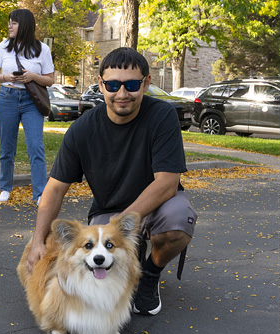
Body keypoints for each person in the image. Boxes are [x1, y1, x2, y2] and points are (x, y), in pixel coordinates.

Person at [27, 47, 197, 315]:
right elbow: (55, 188)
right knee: (95, 264)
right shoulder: (82, 129)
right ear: (100, 84)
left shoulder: (162, 116)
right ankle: (129, 260)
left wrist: (121, 227)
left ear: (146, 83)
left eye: (131, 85)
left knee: (178, 223)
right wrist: (38, 240)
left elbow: (167, 182)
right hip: (108, 211)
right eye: (113, 85)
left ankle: (149, 276)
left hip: (158, 206)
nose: (121, 94)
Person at [0, 9, 54, 205]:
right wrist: (6, 77)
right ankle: (5, 188)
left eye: (14, 23)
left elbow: (50, 80)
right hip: (7, 98)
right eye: (10, 22)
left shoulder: (42, 49)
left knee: (36, 147)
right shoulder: (4, 46)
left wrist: (32, 76)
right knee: (7, 147)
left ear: (24, 25)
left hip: (31, 101)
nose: (9, 26)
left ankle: (40, 193)